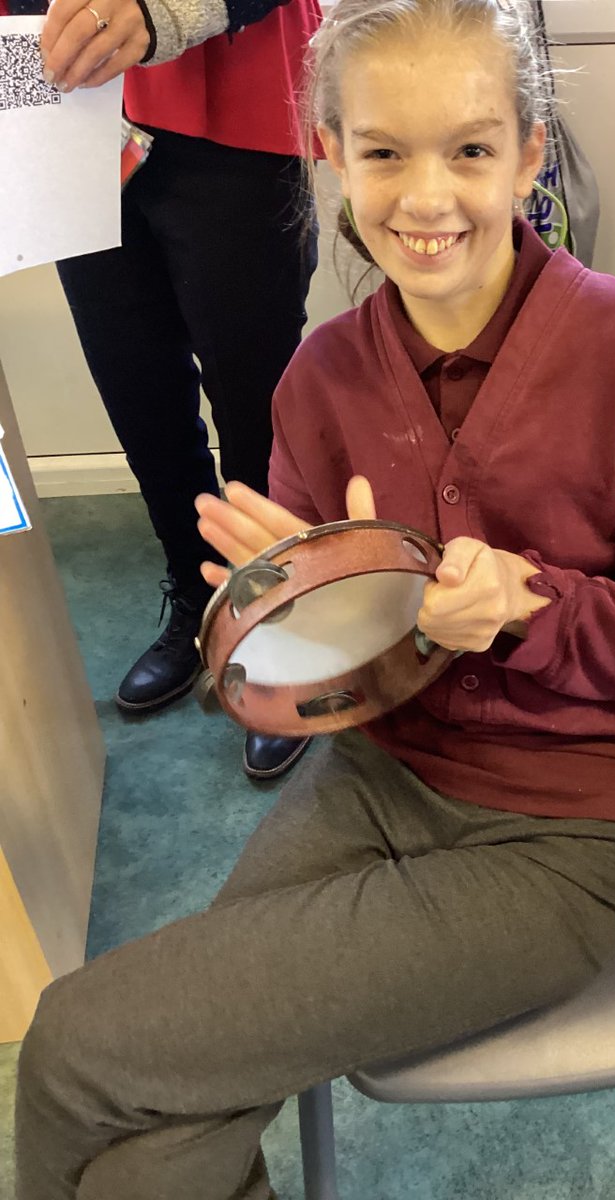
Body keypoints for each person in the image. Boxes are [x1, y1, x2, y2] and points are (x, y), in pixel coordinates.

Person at [14, 1, 615, 1195]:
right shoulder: (321, 378)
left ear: (530, 151)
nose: (426, 197)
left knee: (74, 1051)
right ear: (328, 153)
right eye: (383, 151)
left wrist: (524, 607)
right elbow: (315, 704)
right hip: (382, 785)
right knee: (157, 1147)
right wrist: (310, 608)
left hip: (562, 841)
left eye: (468, 149)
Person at [29, 0, 322, 780]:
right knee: (136, 388)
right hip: (65, 101)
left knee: (257, 403)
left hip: (232, 83)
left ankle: (276, 625)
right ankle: (197, 596)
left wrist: (167, 12)